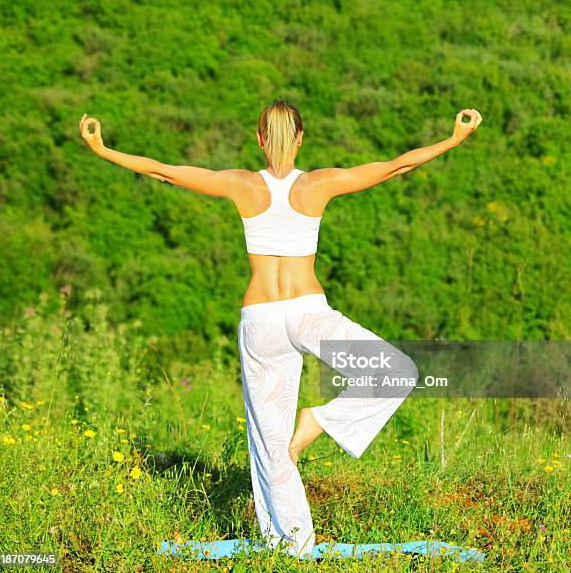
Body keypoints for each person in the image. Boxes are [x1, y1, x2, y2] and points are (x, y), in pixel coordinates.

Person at [79, 101, 482, 557]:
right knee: (396, 372)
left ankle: (293, 542)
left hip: (262, 321)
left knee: (271, 446)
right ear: (301, 138)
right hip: (308, 311)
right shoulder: (318, 184)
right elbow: (395, 167)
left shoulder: (243, 185)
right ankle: (313, 458)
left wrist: (103, 149)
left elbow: (165, 172)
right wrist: (453, 139)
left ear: (259, 139)